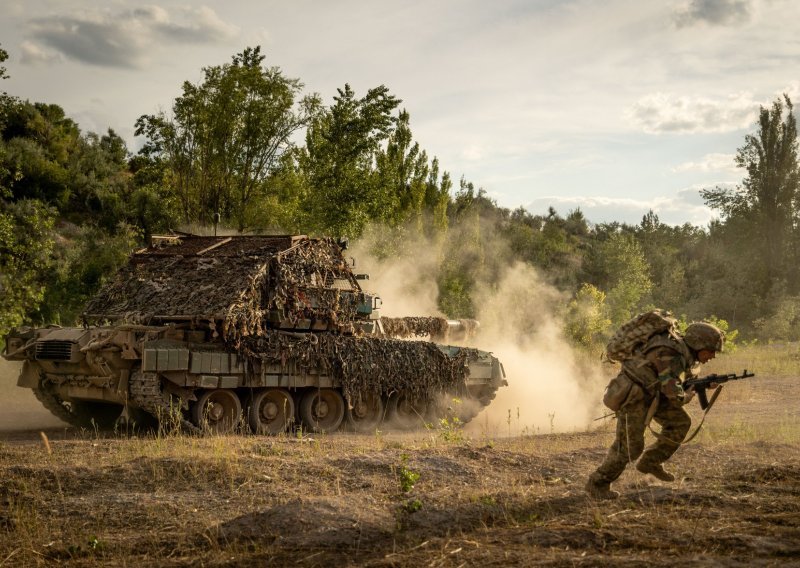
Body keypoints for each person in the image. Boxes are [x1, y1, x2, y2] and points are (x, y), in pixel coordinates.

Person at [586, 321, 725, 499]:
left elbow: (674, 381)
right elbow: (673, 392)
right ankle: (597, 483)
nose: (712, 356)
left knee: (680, 422)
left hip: (653, 394)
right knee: (630, 447)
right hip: (634, 397)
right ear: (698, 344)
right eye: (711, 350)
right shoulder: (669, 353)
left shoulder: (684, 353)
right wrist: (687, 396)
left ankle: (650, 461)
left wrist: (700, 385)